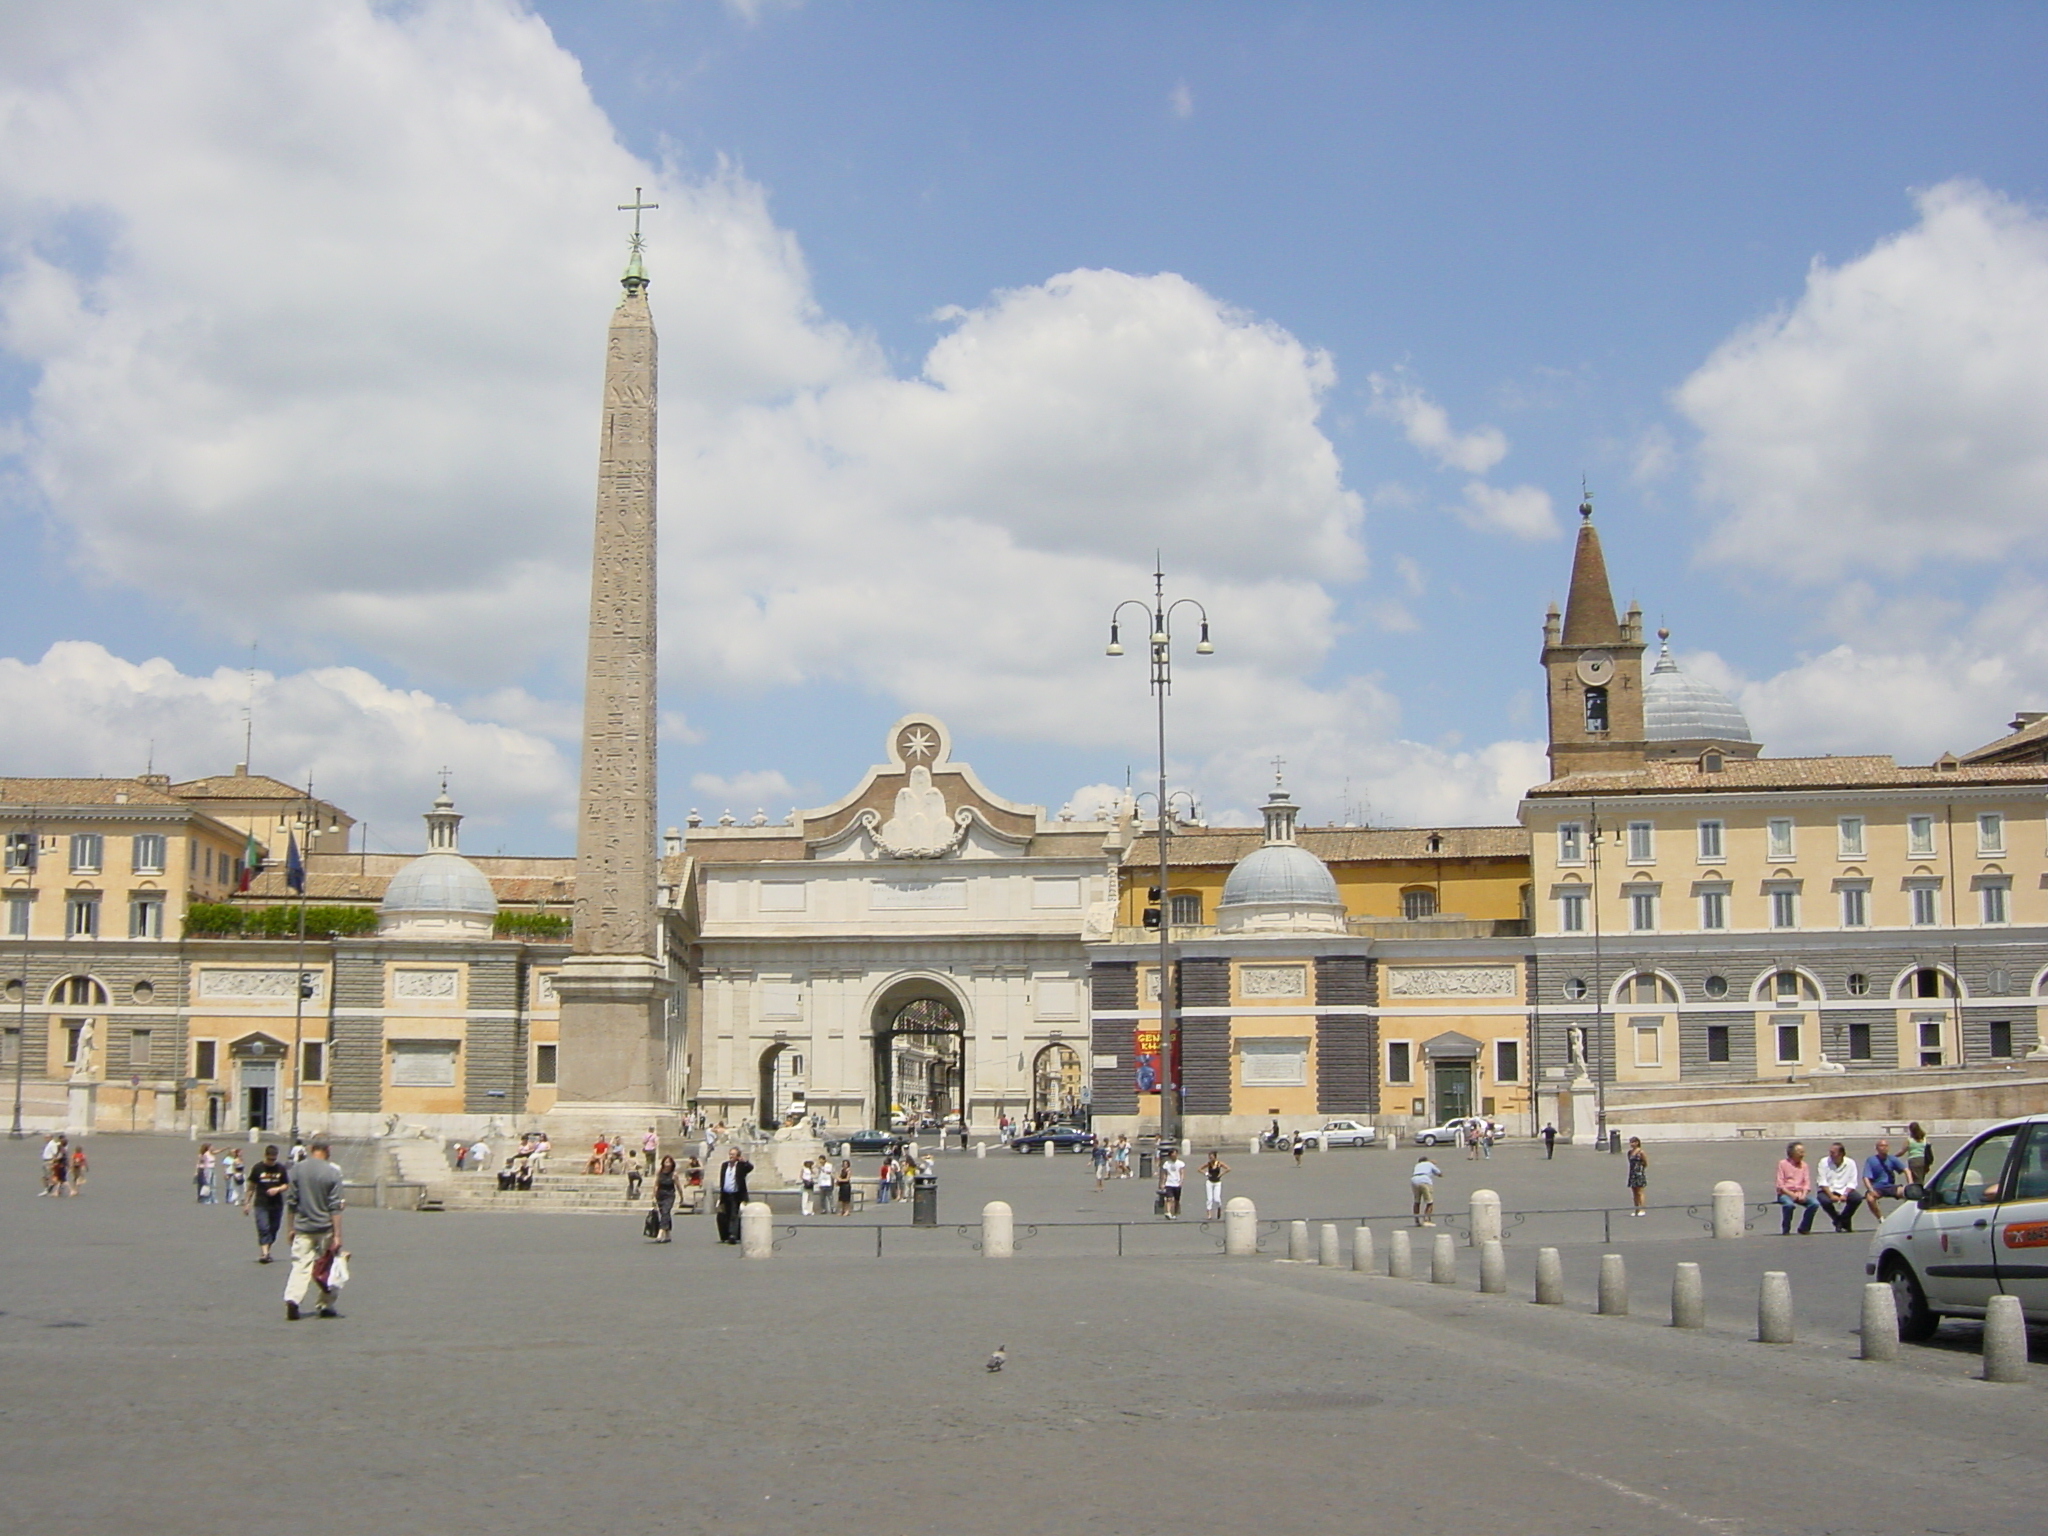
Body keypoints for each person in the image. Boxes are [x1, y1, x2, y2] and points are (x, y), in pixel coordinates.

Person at [283, 1134, 346, 1320]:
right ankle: (325, 1304)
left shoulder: (297, 1170)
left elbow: (291, 1201)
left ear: (311, 1149)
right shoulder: (333, 1172)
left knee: (300, 1265)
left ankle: (293, 1299)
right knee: (330, 1266)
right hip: (325, 1227)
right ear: (328, 1151)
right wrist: (337, 1235)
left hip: (303, 1227)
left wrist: (290, 1227)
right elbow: (335, 1207)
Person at [244, 1144, 290, 1262]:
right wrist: (246, 1203)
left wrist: (277, 1189)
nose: (271, 1162)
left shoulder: (280, 1168)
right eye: (270, 1159)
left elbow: (286, 1184)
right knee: (263, 1227)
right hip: (261, 1203)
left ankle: (267, 1250)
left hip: (277, 1204)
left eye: (274, 1159)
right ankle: (264, 1254)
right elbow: (251, 1186)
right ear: (265, 1156)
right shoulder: (258, 1168)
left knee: (273, 1229)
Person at [1815, 1141, 1861, 1232]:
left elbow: (1852, 1182)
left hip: (1844, 1189)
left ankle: (1844, 1219)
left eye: (1833, 1152)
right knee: (1824, 1200)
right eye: (1830, 1152)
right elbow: (1822, 1181)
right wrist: (1831, 1196)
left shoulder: (1850, 1163)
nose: (1830, 1155)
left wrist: (1845, 1194)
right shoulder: (1823, 1162)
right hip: (1828, 1190)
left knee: (1857, 1198)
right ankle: (1837, 1219)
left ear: (1841, 1154)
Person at [1775, 1141, 1819, 1235]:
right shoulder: (1783, 1164)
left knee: (1814, 1203)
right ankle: (1786, 1229)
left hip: (1800, 1193)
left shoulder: (1804, 1165)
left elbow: (1806, 1183)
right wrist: (1792, 1195)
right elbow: (1780, 1184)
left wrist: (1803, 1195)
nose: (1802, 1154)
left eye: (1803, 1152)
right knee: (1789, 1205)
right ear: (1792, 1153)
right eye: (1800, 1152)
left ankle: (1804, 1227)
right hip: (1786, 1193)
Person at [712, 1147, 752, 1245]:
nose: (731, 1156)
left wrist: (745, 1161)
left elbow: (750, 1168)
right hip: (725, 1194)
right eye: (730, 1154)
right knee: (724, 1215)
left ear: (737, 1156)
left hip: (736, 1194)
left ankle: (733, 1235)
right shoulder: (725, 1165)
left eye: (733, 1154)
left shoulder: (741, 1166)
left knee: (734, 1215)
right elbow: (722, 1179)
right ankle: (725, 1235)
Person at [1863, 1138, 1909, 1218]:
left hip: (1890, 1186)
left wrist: (1910, 1184)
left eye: (1886, 1146)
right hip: (1877, 1187)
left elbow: (1906, 1170)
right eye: (1881, 1146)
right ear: (1876, 1148)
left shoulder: (1892, 1159)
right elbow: (1866, 1177)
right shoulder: (1871, 1160)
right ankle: (1880, 1218)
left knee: (1909, 1193)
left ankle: (1906, 1216)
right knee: (1870, 1198)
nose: (1884, 1148)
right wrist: (1871, 1190)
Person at [1411, 1154, 1443, 1226]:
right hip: (1425, 1180)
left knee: (1417, 1202)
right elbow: (1439, 1173)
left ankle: (1416, 1220)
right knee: (1429, 1202)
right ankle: (1426, 1220)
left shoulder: (1417, 1165)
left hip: (1414, 1180)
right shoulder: (1429, 1164)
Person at [651, 1155, 678, 1242]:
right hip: (660, 1194)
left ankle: (660, 1233)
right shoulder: (659, 1172)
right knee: (664, 1213)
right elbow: (656, 1184)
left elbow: (678, 1186)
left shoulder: (674, 1174)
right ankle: (668, 1234)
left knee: (665, 1212)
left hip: (670, 1195)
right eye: (666, 1162)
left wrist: (681, 1196)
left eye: (669, 1162)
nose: (667, 1164)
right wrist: (653, 1196)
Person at [1158, 1147, 1186, 1219]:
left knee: (1176, 1200)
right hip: (1169, 1183)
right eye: (1173, 1154)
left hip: (1177, 1183)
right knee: (1169, 1198)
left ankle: (1175, 1213)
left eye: (1175, 1154)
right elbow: (1164, 1174)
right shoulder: (1167, 1164)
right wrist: (1162, 1183)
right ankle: (1168, 1212)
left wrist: (1181, 1181)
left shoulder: (1180, 1163)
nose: (1174, 1156)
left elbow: (1182, 1173)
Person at [1202, 1150, 1230, 1219]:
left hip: (1217, 1182)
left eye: (1212, 1157)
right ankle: (1209, 1214)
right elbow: (1200, 1169)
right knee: (1209, 1199)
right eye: (1210, 1157)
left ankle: (1219, 1207)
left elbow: (1228, 1168)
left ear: (1215, 1157)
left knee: (1217, 1199)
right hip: (1209, 1182)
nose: (1210, 1158)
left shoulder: (1219, 1163)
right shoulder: (1208, 1164)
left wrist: (1221, 1174)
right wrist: (1206, 1173)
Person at [1625, 1136, 1648, 1214]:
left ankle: (1642, 1209)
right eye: (1631, 1142)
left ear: (1637, 1143)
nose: (1631, 1144)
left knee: (1640, 1192)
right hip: (1632, 1173)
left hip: (1639, 1173)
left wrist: (1640, 1169)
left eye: (1633, 1142)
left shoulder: (1641, 1152)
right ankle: (1636, 1209)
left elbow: (1645, 1162)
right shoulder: (1629, 1152)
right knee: (1634, 1192)